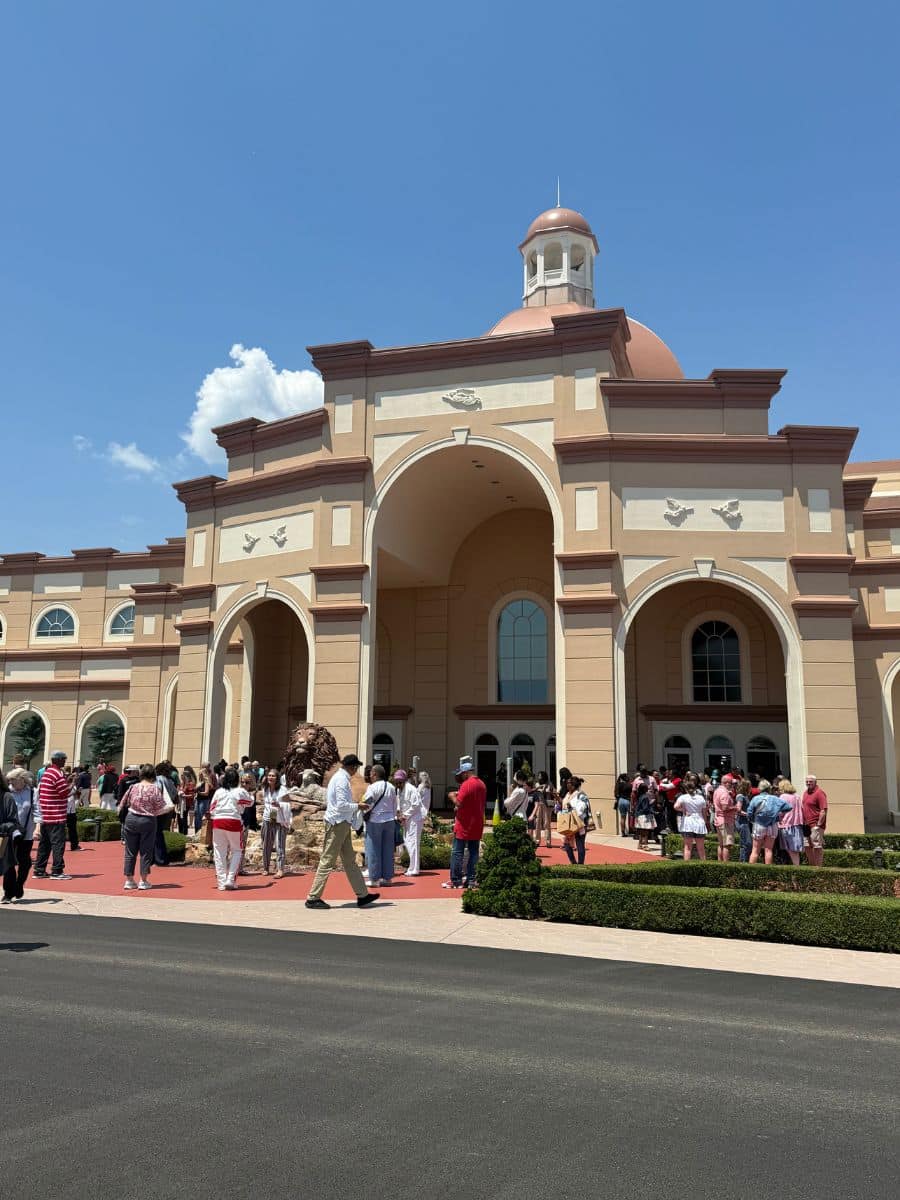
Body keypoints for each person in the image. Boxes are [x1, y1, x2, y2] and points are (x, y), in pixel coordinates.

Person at [305, 753, 379, 910]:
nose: (356, 771)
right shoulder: (341, 780)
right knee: (327, 860)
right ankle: (313, 897)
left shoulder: (340, 778)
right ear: (352, 767)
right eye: (356, 768)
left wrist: (355, 805)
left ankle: (363, 895)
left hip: (341, 823)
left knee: (349, 861)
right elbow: (341, 805)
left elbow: (341, 804)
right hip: (338, 823)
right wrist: (358, 806)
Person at [119, 763, 168, 890]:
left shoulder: (133, 786)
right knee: (146, 851)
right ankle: (143, 880)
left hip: (131, 818)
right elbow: (161, 806)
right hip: (147, 820)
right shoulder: (154, 788)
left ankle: (129, 880)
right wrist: (168, 809)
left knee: (130, 851)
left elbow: (123, 803)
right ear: (153, 775)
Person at [208, 766, 253, 890]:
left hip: (217, 822)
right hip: (233, 822)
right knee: (237, 851)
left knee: (219, 853)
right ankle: (230, 879)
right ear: (237, 780)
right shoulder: (240, 791)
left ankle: (221, 883)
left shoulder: (219, 791)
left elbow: (212, 809)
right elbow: (250, 802)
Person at [444, 759, 486, 890]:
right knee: (474, 852)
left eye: (461, 774)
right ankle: (471, 879)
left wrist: (452, 796)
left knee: (457, 852)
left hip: (464, 824)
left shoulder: (466, 784)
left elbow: (459, 803)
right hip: (477, 823)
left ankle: (456, 881)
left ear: (466, 773)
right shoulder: (481, 784)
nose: (459, 776)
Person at [33, 750, 72, 881]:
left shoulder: (47, 773)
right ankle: (57, 870)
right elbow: (64, 792)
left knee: (45, 844)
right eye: (64, 759)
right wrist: (72, 784)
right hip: (56, 814)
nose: (65, 761)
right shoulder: (56, 773)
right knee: (58, 844)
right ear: (58, 760)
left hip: (46, 814)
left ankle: (39, 869)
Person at [2, 768, 36, 903]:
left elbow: (37, 811)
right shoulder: (7, 792)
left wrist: (37, 828)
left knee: (25, 862)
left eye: (13, 780)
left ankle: (19, 884)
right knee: (8, 863)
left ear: (22, 779)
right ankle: (8, 893)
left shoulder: (33, 792)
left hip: (26, 833)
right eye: (9, 780)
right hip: (8, 833)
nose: (10, 782)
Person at [361, 764, 398, 888]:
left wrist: (363, 815)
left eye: (371, 773)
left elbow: (367, 804)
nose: (370, 775)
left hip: (375, 820)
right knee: (388, 850)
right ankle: (387, 878)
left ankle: (374, 879)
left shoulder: (372, 787)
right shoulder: (391, 787)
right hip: (390, 820)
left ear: (375, 774)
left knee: (373, 849)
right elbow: (395, 804)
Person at [747, 780, 792, 865]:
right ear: (769, 789)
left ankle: (751, 871)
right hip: (772, 825)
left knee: (755, 850)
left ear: (760, 789)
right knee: (768, 850)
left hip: (759, 825)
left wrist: (752, 819)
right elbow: (788, 807)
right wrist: (779, 815)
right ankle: (768, 871)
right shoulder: (775, 798)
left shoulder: (755, 798)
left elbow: (749, 813)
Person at [395, 768, 427, 876]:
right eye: (397, 782)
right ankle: (412, 866)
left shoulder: (411, 789)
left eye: (400, 782)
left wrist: (405, 815)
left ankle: (415, 869)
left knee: (413, 842)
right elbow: (400, 803)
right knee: (408, 841)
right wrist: (399, 814)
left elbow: (416, 804)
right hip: (408, 818)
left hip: (415, 818)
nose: (398, 784)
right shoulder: (399, 789)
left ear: (404, 780)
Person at [259, 768, 290, 877]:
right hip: (267, 819)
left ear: (277, 778)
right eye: (269, 775)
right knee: (266, 845)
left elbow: (288, 804)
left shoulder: (283, 790)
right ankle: (266, 868)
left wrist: (280, 805)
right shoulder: (265, 789)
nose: (270, 777)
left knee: (279, 845)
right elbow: (266, 804)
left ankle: (280, 869)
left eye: (273, 776)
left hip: (279, 821)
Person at [1, 771, 25, 904]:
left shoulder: (7, 797)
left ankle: (9, 893)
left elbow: (12, 820)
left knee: (7, 865)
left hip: (3, 836)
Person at [674, 772, 709, 859]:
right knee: (701, 848)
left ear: (686, 789)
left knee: (687, 847)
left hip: (688, 822)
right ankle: (704, 865)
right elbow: (704, 813)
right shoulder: (701, 798)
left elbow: (675, 807)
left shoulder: (683, 797)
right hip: (699, 822)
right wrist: (705, 822)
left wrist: (683, 810)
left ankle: (687, 867)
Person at [802, 774, 828, 867]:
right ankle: (812, 867)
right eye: (807, 781)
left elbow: (823, 810)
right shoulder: (805, 793)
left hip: (815, 825)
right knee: (807, 846)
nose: (808, 783)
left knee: (817, 846)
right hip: (806, 825)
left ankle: (818, 868)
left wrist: (818, 825)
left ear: (815, 782)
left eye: (810, 781)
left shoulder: (819, 793)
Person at [777, 779, 806, 866]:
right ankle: (796, 866)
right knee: (795, 849)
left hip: (786, 824)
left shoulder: (783, 797)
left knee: (789, 848)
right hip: (797, 825)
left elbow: (780, 812)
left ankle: (795, 867)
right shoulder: (797, 796)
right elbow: (802, 809)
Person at [561, 777, 589, 864]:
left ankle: (580, 864)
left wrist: (571, 808)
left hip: (579, 823)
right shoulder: (567, 794)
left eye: (569, 783)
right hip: (568, 822)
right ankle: (573, 862)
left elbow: (582, 808)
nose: (567, 784)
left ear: (573, 785)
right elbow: (564, 805)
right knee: (566, 843)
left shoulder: (581, 795)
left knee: (580, 844)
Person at [153, 761, 177, 865]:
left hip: (159, 809)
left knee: (155, 833)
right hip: (168, 810)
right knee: (161, 832)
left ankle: (158, 858)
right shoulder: (170, 781)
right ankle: (161, 857)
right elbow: (175, 795)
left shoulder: (158, 779)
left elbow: (157, 791)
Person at [712, 775, 738, 862]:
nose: (732, 785)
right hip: (725, 821)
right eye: (731, 783)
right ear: (726, 783)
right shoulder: (724, 793)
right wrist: (735, 808)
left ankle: (720, 864)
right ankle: (726, 865)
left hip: (719, 819)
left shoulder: (717, 790)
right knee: (727, 845)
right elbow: (724, 808)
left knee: (721, 844)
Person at [532, 770, 555, 848]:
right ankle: (537, 841)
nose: (539, 777)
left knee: (547, 823)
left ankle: (548, 842)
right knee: (537, 822)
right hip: (538, 804)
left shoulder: (549, 784)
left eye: (540, 776)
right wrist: (538, 788)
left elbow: (552, 792)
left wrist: (546, 789)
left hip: (547, 805)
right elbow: (534, 792)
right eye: (538, 776)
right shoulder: (537, 784)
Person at [194, 763, 216, 834]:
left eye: (200, 774)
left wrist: (199, 792)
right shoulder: (200, 782)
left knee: (202, 816)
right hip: (198, 799)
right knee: (197, 816)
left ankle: (201, 832)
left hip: (204, 800)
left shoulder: (206, 782)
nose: (199, 775)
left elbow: (206, 793)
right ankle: (197, 832)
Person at [735, 778, 754, 863]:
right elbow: (738, 809)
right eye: (750, 786)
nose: (751, 787)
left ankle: (744, 861)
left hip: (745, 822)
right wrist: (748, 814)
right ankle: (743, 862)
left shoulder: (744, 796)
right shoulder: (740, 796)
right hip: (742, 822)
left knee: (747, 843)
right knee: (746, 844)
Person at [176, 766, 197, 836]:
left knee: (184, 817)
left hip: (186, 804)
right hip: (180, 803)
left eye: (182, 775)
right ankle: (180, 832)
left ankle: (184, 833)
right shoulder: (182, 783)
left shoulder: (190, 784)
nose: (181, 776)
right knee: (179, 817)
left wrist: (183, 795)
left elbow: (192, 795)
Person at [614, 773, 631, 837]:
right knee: (631, 816)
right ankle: (633, 831)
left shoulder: (619, 784)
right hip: (628, 801)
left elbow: (616, 794)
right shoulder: (629, 785)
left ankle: (623, 832)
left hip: (621, 801)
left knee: (622, 817)